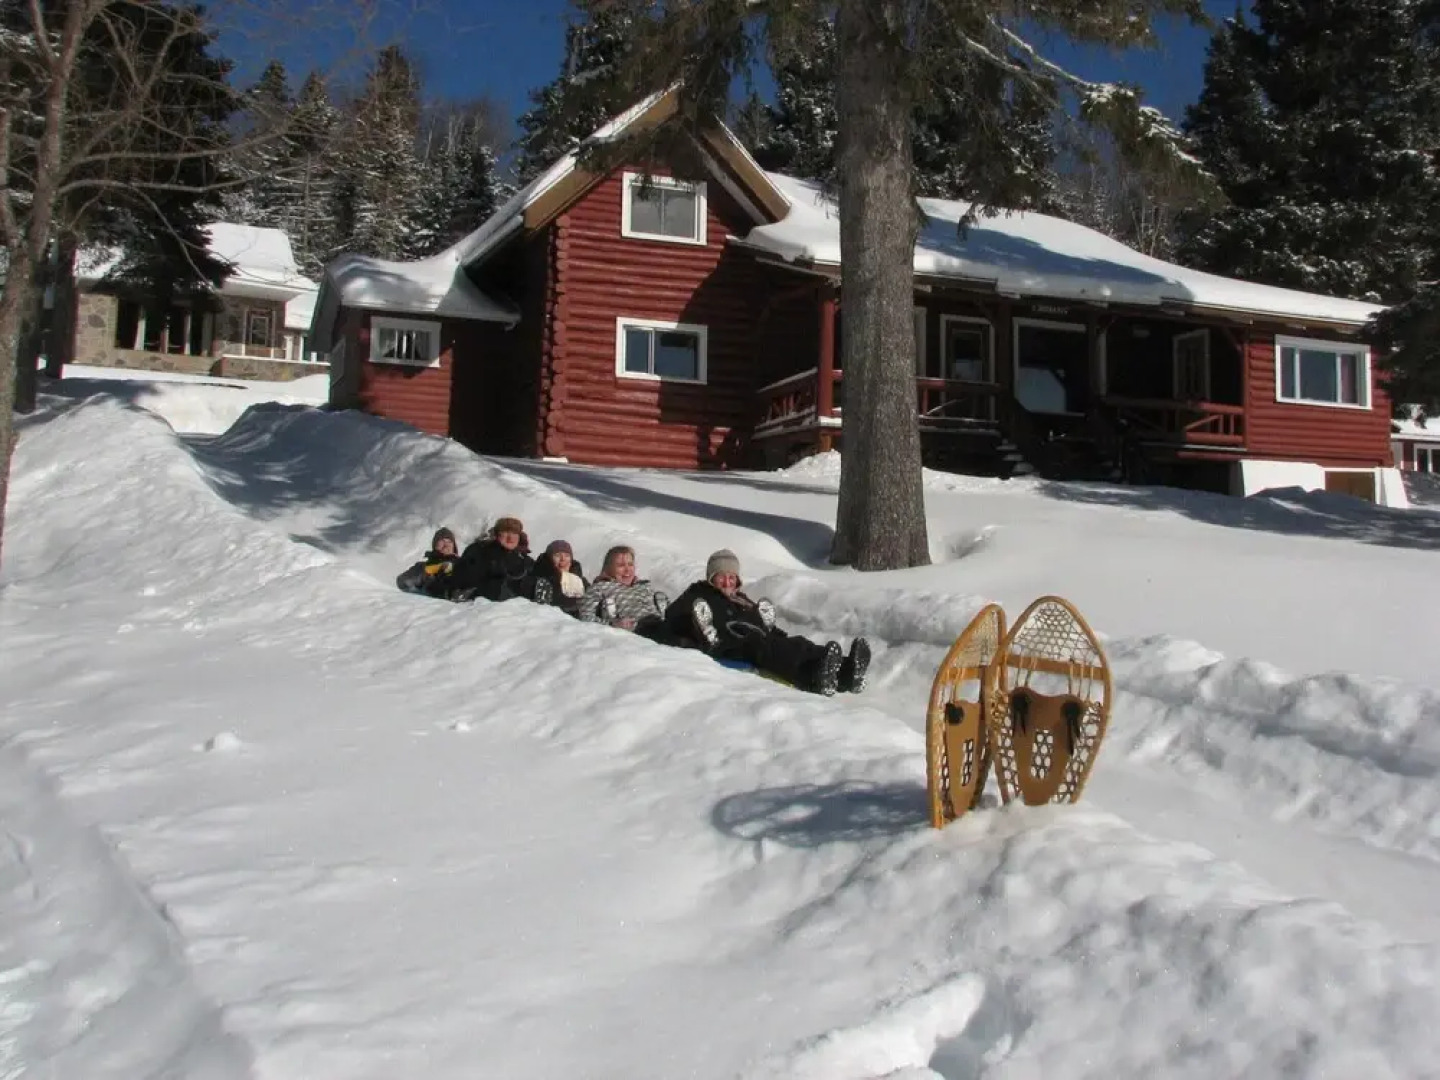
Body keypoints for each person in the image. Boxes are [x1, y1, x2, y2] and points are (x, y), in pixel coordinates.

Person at [664, 549, 870, 696]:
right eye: (721, 576)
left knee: (795, 643)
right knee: (763, 646)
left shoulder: (742, 599)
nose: (728, 582)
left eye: (732, 577)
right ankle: (814, 676)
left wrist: (775, 631)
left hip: (753, 639)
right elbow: (672, 615)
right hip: (727, 645)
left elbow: (760, 627)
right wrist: (691, 633)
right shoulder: (698, 593)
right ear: (711, 577)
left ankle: (847, 672)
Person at [576, 544, 671, 637]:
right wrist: (613, 625)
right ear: (608, 568)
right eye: (620, 565)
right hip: (639, 631)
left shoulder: (644, 586)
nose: (627, 570)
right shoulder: (598, 588)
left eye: (630, 564)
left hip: (662, 625)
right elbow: (585, 618)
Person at [453, 516, 551, 604]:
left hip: (521, 607)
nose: (510, 537)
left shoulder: (524, 559)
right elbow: (466, 576)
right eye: (506, 532)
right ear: (497, 534)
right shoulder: (479, 550)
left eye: (514, 533)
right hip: (482, 601)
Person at [395, 527, 464, 600]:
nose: (446, 544)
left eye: (449, 541)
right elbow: (402, 582)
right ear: (435, 545)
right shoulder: (423, 567)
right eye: (442, 540)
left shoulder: (464, 564)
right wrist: (426, 574)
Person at [534, 539, 589, 618]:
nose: (563, 559)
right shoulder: (542, 582)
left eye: (567, 555)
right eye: (557, 555)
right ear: (549, 559)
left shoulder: (581, 582)